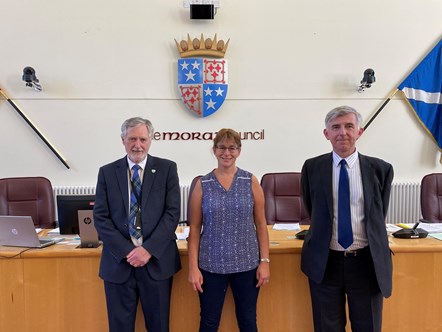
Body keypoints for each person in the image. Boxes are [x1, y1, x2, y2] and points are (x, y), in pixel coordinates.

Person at [300, 106, 394, 332]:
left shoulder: (380, 169)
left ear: (359, 131)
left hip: (365, 262)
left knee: (368, 326)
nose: (343, 132)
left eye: (349, 126)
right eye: (336, 127)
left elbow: (377, 215)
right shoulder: (312, 167)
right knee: (327, 327)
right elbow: (312, 209)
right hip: (326, 262)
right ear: (327, 134)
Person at [93, 117, 181, 332]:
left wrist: (147, 250)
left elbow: (172, 213)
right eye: (132, 138)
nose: (137, 144)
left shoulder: (167, 168)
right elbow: (101, 217)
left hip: (156, 263)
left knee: (159, 326)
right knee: (120, 327)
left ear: (150, 140)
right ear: (123, 140)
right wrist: (128, 251)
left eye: (143, 138)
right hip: (119, 264)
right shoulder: (107, 172)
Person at [187, 128, 270, 332]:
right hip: (210, 265)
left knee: (248, 321)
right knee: (208, 322)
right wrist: (193, 267)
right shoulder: (202, 184)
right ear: (214, 150)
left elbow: (261, 224)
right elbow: (195, 228)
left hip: (247, 264)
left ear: (239, 151)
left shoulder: (250, 181)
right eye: (222, 147)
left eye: (232, 148)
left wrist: (265, 262)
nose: (227, 153)